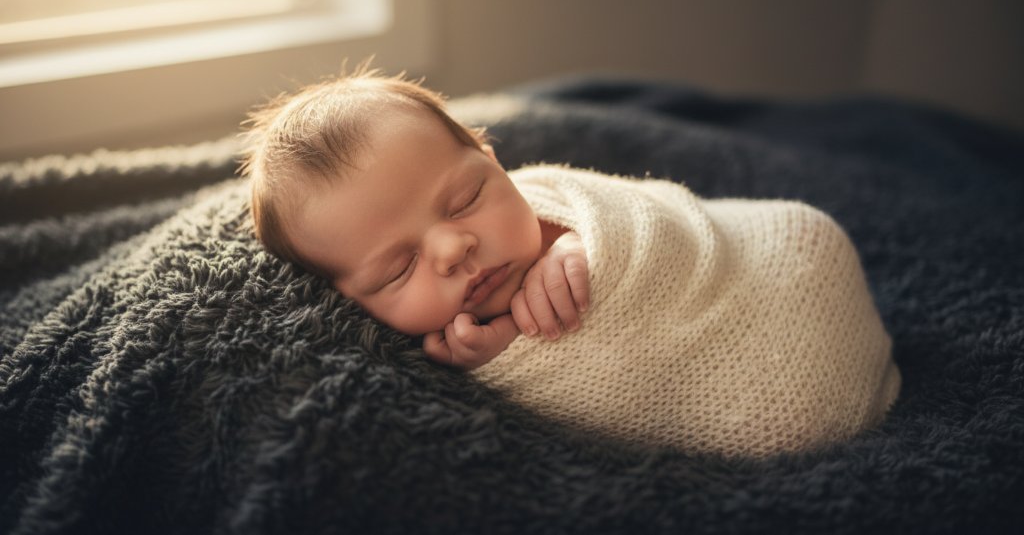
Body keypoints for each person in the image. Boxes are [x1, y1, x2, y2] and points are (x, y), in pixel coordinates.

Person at [238, 67, 901, 457]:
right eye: (397, 269)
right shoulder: (447, 354)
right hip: (757, 395)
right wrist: (507, 356)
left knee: (809, 235)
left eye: (466, 198)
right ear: (350, 299)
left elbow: (651, 217)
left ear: (492, 160)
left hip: (771, 262)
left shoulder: (552, 201)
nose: (452, 248)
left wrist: (580, 246)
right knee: (778, 421)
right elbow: (601, 394)